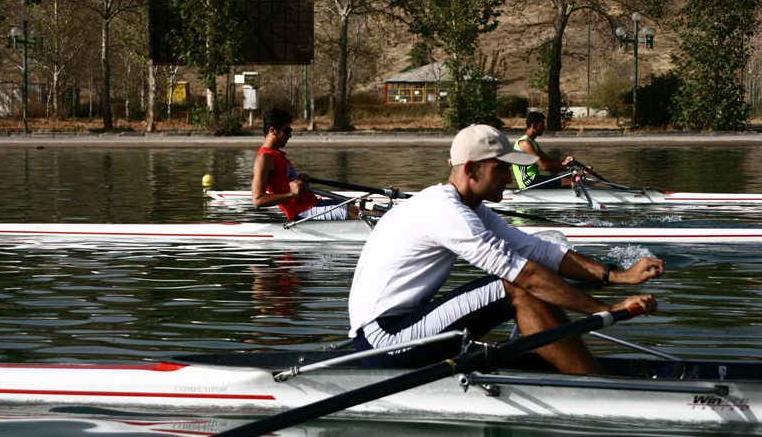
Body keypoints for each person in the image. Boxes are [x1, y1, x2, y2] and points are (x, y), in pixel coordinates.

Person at [348, 124, 662, 374]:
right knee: (517, 287)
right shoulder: (445, 212)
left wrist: (616, 276)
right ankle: (599, 387)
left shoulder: (470, 207)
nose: (508, 178)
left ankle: (589, 373)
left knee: (527, 280)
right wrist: (605, 310)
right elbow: (527, 276)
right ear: (470, 170)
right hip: (384, 341)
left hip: (406, 327)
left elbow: (537, 251)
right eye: (500, 169)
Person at [252, 108, 361, 221]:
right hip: (304, 211)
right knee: (363, 213)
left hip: (314, 203)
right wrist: (292, 194)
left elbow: (286, 185)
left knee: (363, 207)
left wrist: (302, 184)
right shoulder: (264, 159)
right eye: (287, 130)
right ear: (273, 130)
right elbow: (258, 200)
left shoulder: (278, 156)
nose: (290, 135)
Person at [512, 111, 578, 189]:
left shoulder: (532, 142)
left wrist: (564, 163)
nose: (544, 127)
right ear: (534, 126)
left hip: (535, 179)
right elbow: (544, 166)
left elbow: (547, 159)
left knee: (571, 177)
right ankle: (595, 196)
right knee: (571, 180)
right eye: (542, 124)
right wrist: (565, 168)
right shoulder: (525, 143)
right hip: (528, 182)